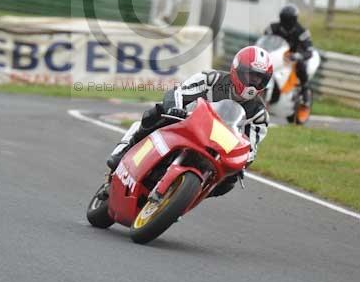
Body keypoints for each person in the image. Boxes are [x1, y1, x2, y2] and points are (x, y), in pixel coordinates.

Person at [103, 45, 273, 199]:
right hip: (185, 123)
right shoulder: (211, 79)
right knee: (155, 113)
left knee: (230, 180)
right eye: (250, 76)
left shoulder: (259, 114)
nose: (254, 83)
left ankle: (187, 197)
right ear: (237, 70)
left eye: (259, 79)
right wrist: (176, 108)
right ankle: (125, 150)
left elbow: (250, 148)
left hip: (216, 147)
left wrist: (241, 161)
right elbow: (179, 92)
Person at [265, 4, 313, 105]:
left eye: (289, 19)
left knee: (301, 65)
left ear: (294, 19)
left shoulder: (302, 32)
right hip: (275, 55)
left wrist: (297, 56)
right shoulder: (272, 28)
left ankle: (305, 92)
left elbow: (309, 51)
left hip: (291, 58)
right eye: (284, 19)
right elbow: (264, 41)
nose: (286, 22)